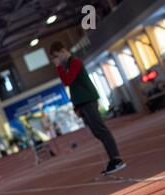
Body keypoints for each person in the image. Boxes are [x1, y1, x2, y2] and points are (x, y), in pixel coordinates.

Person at [50, 41, 126, 175]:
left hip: (89, 100)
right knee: (97, 132)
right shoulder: (67, 65)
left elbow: (68, 81)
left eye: (56, 56)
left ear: (62, 51)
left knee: (101, 130)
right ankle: (112, 159)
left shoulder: (75, 62)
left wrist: (58, 68)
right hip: (82, 103)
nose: (56, 60)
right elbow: (73, 88)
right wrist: (76, 106)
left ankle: (117, 158)